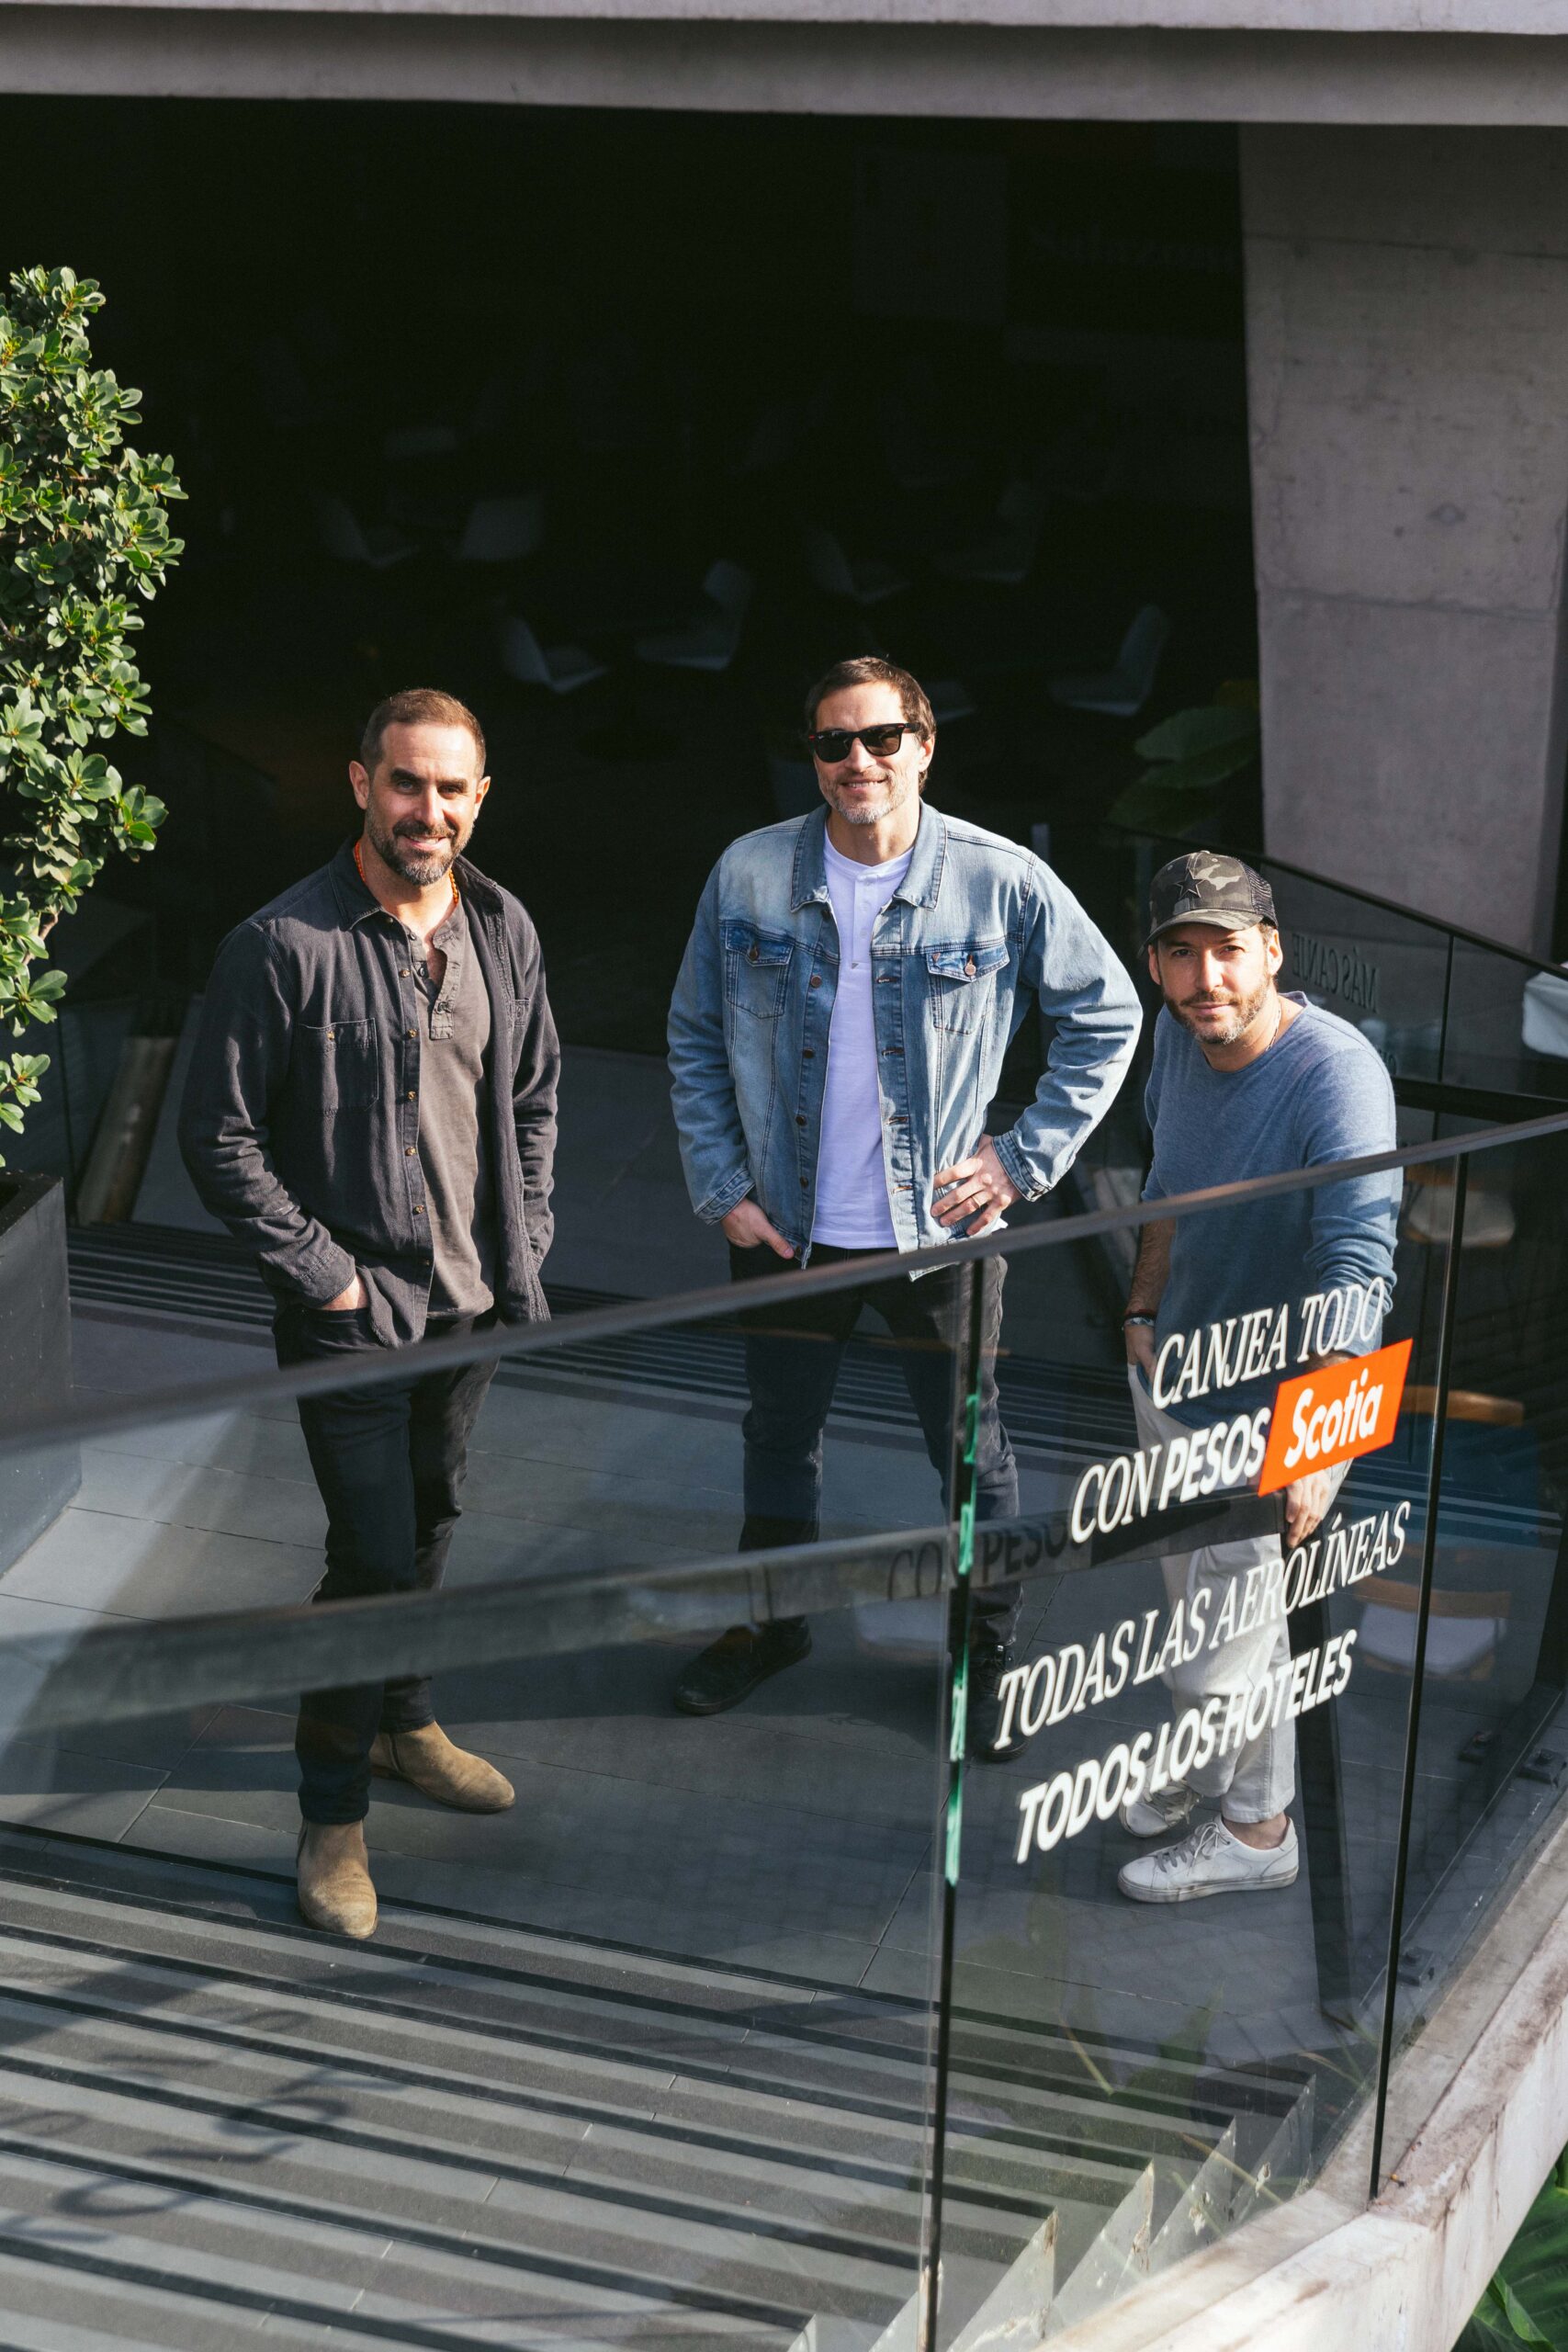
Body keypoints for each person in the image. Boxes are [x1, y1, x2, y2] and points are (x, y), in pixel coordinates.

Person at [666, 654, 1140, 1743]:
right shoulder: (749, 871)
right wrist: (722, 1184)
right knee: (778, 1436)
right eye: (834, 741)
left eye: (882, 737)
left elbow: (1107, 1014)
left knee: (972, 1456)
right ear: (813, 757)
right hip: (784, 1230)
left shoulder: (1000, 878)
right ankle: (773, 1623)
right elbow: (692, 1031)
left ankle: (986, 1652)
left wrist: (1020, 1160)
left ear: (924, 746)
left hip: (938, 1236)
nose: (858, 760)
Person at [179, 688, 558, 1940]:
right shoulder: (282, 943)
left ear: (480, 799)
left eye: (450, 789)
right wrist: (326, 1274)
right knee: (373, 1559)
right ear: (359, 783)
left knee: (434, 1515)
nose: (426, 810)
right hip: (352, 1317)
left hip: (473, 1305)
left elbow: (534, 1097)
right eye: (405, 782)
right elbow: (218, 1136)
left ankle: (402, 1719)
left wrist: (527, 1236)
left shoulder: (503, 925)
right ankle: (331, 1818)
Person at [1117, 851, 1397, 1904]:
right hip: (1175, 1375)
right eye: (1181, 955)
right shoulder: (1178, 1035)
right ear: (1155, 966)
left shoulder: (1337, 1076)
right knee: (1212, 1620)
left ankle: (1255, 1827)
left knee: (1220, 1646)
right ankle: (1218, 1780)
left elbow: (1359, 1269)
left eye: (1229, 950)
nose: (1208, 979)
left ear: (1272, 951)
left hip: (1271, 1410)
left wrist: (1314, 1451)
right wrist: (1142, 1309)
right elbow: (1168, 1179)